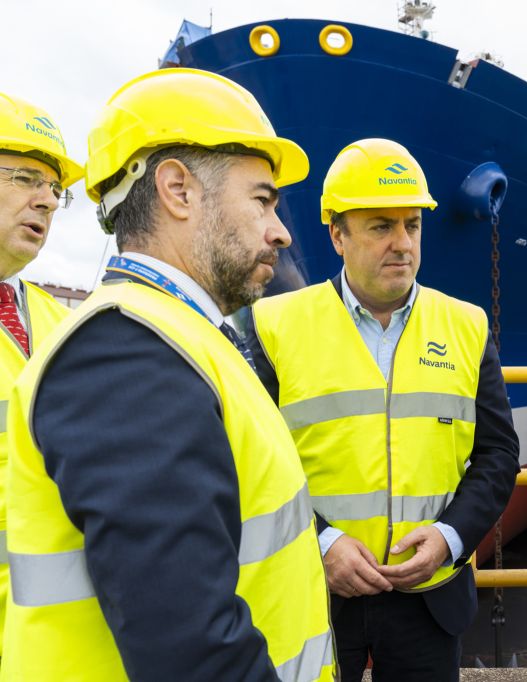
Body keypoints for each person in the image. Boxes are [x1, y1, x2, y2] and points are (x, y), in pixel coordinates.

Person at [2, 68, 335, 681]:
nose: (281, 231)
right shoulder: (126, 355)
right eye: (262, 199)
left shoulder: (177, 338)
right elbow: (193, 655)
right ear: (178, 190)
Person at [249, 138, 520, 681]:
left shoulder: (466, 326)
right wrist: (321, 542)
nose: (402, 244)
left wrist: (449, 537)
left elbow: (497, 453)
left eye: (411, 226)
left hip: (429, 594)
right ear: (337, 235)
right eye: (380, 227)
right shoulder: (273, 326)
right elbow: (250, 463)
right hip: (313, 590)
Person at [0, 91, 82, 658]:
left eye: (56, 190)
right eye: (28, 178)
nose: (47, 201)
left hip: (51, 630)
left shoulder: (63, 323)